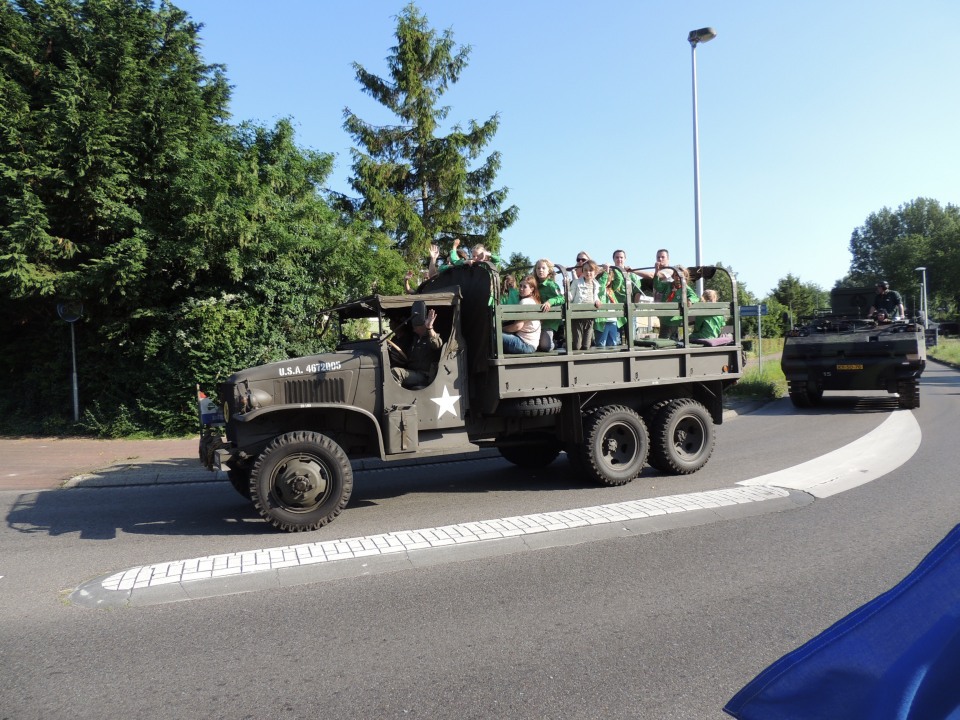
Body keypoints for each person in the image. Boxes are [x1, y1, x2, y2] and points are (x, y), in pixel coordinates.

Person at [594, 249, 641, 346]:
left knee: (631, 337)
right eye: (617, 257)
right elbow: (603, 285)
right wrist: (609, 270)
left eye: (621, 257)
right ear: (613, 259)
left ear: (625, 259)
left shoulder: (631, 275)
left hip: (628, 308)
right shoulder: (611, 272)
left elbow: (637, 292)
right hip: (616, 311)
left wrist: (634, 309)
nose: (619, 259)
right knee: (616, 338)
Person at [390, 307, 442, 388]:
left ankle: (396, 395)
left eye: (415, 326)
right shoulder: (415, 338)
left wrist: (430, 327)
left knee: (395, 372)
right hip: (413, 372)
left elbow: (437, 344)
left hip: (424, 375)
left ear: (423, 326)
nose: (413, 329)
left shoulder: (430, 339)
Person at [655, 265, 699, 340]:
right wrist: (656, 273)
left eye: (680, 276)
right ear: (673, 276)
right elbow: (657, 286)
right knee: (665, 337)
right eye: (676, 275)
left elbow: (695, 297)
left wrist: (690, 300)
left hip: (675, 319)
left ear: (685, 277)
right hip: (665, 318)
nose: (678, 277)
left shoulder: (685, 288)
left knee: (669, 338)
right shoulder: (668, 285)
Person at [567, 259, 602, 350]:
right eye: (585, 270)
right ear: (582, 271)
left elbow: (595, 296)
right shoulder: (577, 282)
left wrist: (597, 301)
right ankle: (568, 344)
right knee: (577, 346)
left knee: (586, 345)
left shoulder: (596, 284)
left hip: (589, 315)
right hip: (578, 316)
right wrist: (566, 293)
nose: (588, 272)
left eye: (590, 270)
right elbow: (571, 297)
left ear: (595, 272)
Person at [501, 275, 541, 354]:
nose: (521, 289)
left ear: (532, 289)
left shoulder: (525, 302)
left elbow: (517, 326)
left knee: (492, 334)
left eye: (524, 287)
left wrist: (500, 329)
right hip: (530, 344)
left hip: (524, 344)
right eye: (520, 286)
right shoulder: (534, 301)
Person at [533, 258, 564, 351]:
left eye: (543, 268)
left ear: (549, 271)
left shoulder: (551, 285)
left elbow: (562, 298)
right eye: (538, 268)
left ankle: (555, 344)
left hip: (549, 321)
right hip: (537, 320)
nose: (540, 270)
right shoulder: (534, 285)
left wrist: (550, 302)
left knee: (545, 346)